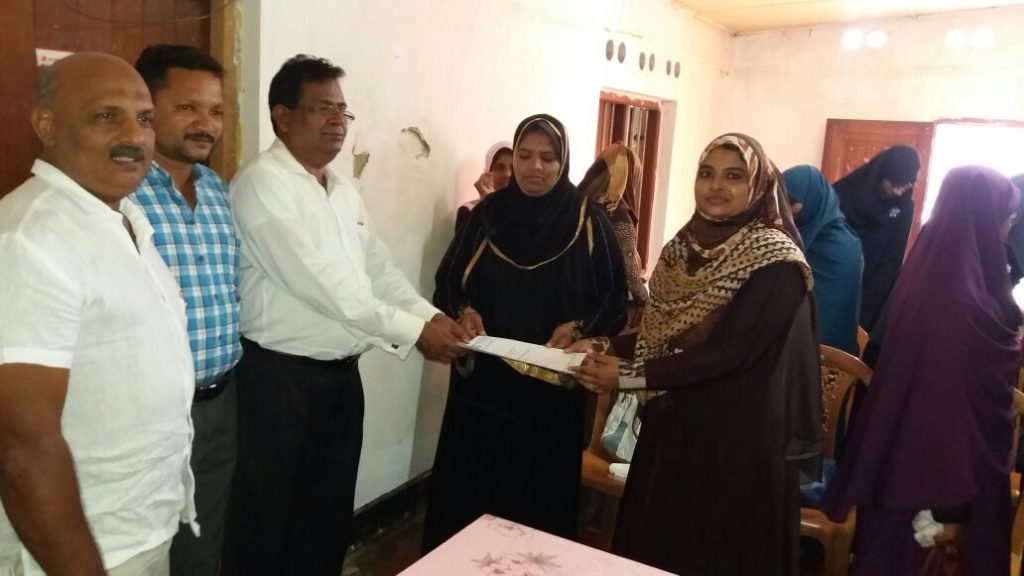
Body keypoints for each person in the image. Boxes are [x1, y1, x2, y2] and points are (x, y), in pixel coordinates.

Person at [223, 54, 469, 576]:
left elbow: (377, 269)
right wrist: (416, 332)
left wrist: (431, 316)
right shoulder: (262, 184)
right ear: (282, 116)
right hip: (279, 383)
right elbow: (330, 291)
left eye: (343, 110)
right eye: (322, 108)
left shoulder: (340, 189)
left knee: (326, 518)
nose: (338, 121)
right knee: (267, 523)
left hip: (339, 383)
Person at [570, 133, 821, 575]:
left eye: (733, 176)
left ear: (757, 186)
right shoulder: (682, 249)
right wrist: (602, 344)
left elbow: (733, 354)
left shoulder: (777, 262)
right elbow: (661, 332)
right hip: (673, 427)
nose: (716, 185)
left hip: (735, 443)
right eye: (707, 173)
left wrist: (628, 375)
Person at [0, 53, 196, 576]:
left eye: (145, 119)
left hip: (138, 526)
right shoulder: (30, 240)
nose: (135, 136)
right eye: (107, 116)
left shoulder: (124, 218)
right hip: (77, 551)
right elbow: (22, 446)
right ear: (47, 125)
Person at [422, 114, 627, 552]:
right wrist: (465, 310)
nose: (535, 167)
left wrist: (581, 328)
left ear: (564, 161)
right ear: (512, 158)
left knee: (537, 510)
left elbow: (614, 300)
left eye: (548, 158)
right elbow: (449, 281)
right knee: (470, 501)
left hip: (549, 395)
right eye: (525, 155)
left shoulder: (588, 221)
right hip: (483, 389)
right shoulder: (488, 216)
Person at [821, 166, 1022, 575]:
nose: (1011, 222)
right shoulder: (958, 303)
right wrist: (950, 511)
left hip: (910, 462)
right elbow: (944, 414)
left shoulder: (936, 270)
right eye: (1008, 212)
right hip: (936, 481)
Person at [129, 45, 238, 576]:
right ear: (146, 109)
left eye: (215, 111)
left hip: (220, 402)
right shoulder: (121, 195)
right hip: (147, 411)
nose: (206, 124)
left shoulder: (219, 191)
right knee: (140, 544)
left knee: (203, 540)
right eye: (188, 108)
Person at [833, 145, 921, 333]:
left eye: (905, 186)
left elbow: (892, 259)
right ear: (882, 173)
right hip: (836, 278)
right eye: (895, 183)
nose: (898, 192)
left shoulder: (904, 207)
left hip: (872, 290)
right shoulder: (845, 193)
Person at [783, 165, 863, 355]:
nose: (784, 208)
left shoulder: (845, 246)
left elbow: (833, 311)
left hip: (827, 352)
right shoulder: (788, 233)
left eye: (791, 202)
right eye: (780, 199)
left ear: (813, 200)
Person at [578, 143, 650, 328]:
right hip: (601, 314)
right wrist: (646, 302)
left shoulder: (577, 205)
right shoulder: (619, 219)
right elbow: (631, 277)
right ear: (630, 177)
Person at [455, 140, 512, 233]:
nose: (508, 174)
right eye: (500, 167)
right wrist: (488, 203)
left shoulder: (527, 212)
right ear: (488, 172)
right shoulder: (468, 211)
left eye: (513, 168)